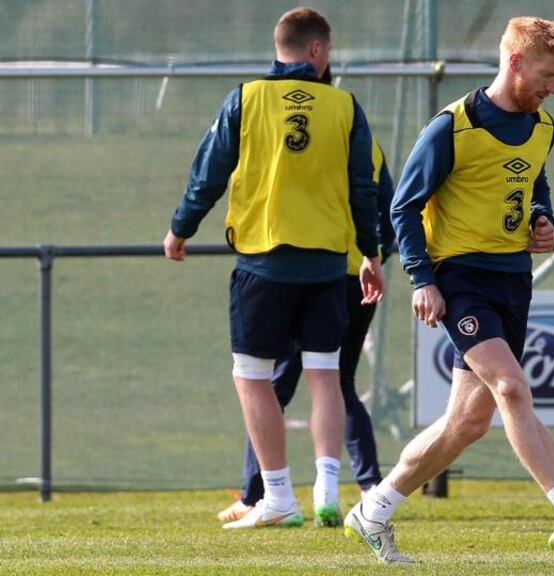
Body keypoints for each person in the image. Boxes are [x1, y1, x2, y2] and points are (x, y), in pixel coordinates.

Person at [343, 16, 554, 564]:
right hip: (460, 277)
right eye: (546, 76)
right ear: (515, 63)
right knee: (510, 388)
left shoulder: (542, 126)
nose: (552, 88)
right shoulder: (453, 127)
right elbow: (404, 207)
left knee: (467, 423)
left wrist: (543, 218)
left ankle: (375, 509)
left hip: (512, 280)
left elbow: (533, 181)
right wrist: (423, 280)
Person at [163, 7, 383, 529]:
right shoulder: (345, 107)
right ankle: (328, 485)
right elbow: (363, 189)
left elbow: (209, 173)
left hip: (263, 263)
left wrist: (180, 229)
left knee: (252, 377)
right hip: (329, 264)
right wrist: (370, 255)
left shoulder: (246, 98)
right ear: (317, 51)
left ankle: (279, 497)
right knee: (326, 376)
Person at [217, 139, 395, 526]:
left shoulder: (299, 136)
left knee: (268, 384)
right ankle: (367, 488)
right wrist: (377, 254)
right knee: (338, 381)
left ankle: (258, 493)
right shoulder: (370, 146)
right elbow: (387, 206)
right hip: (361, 273)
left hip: (315, 271)